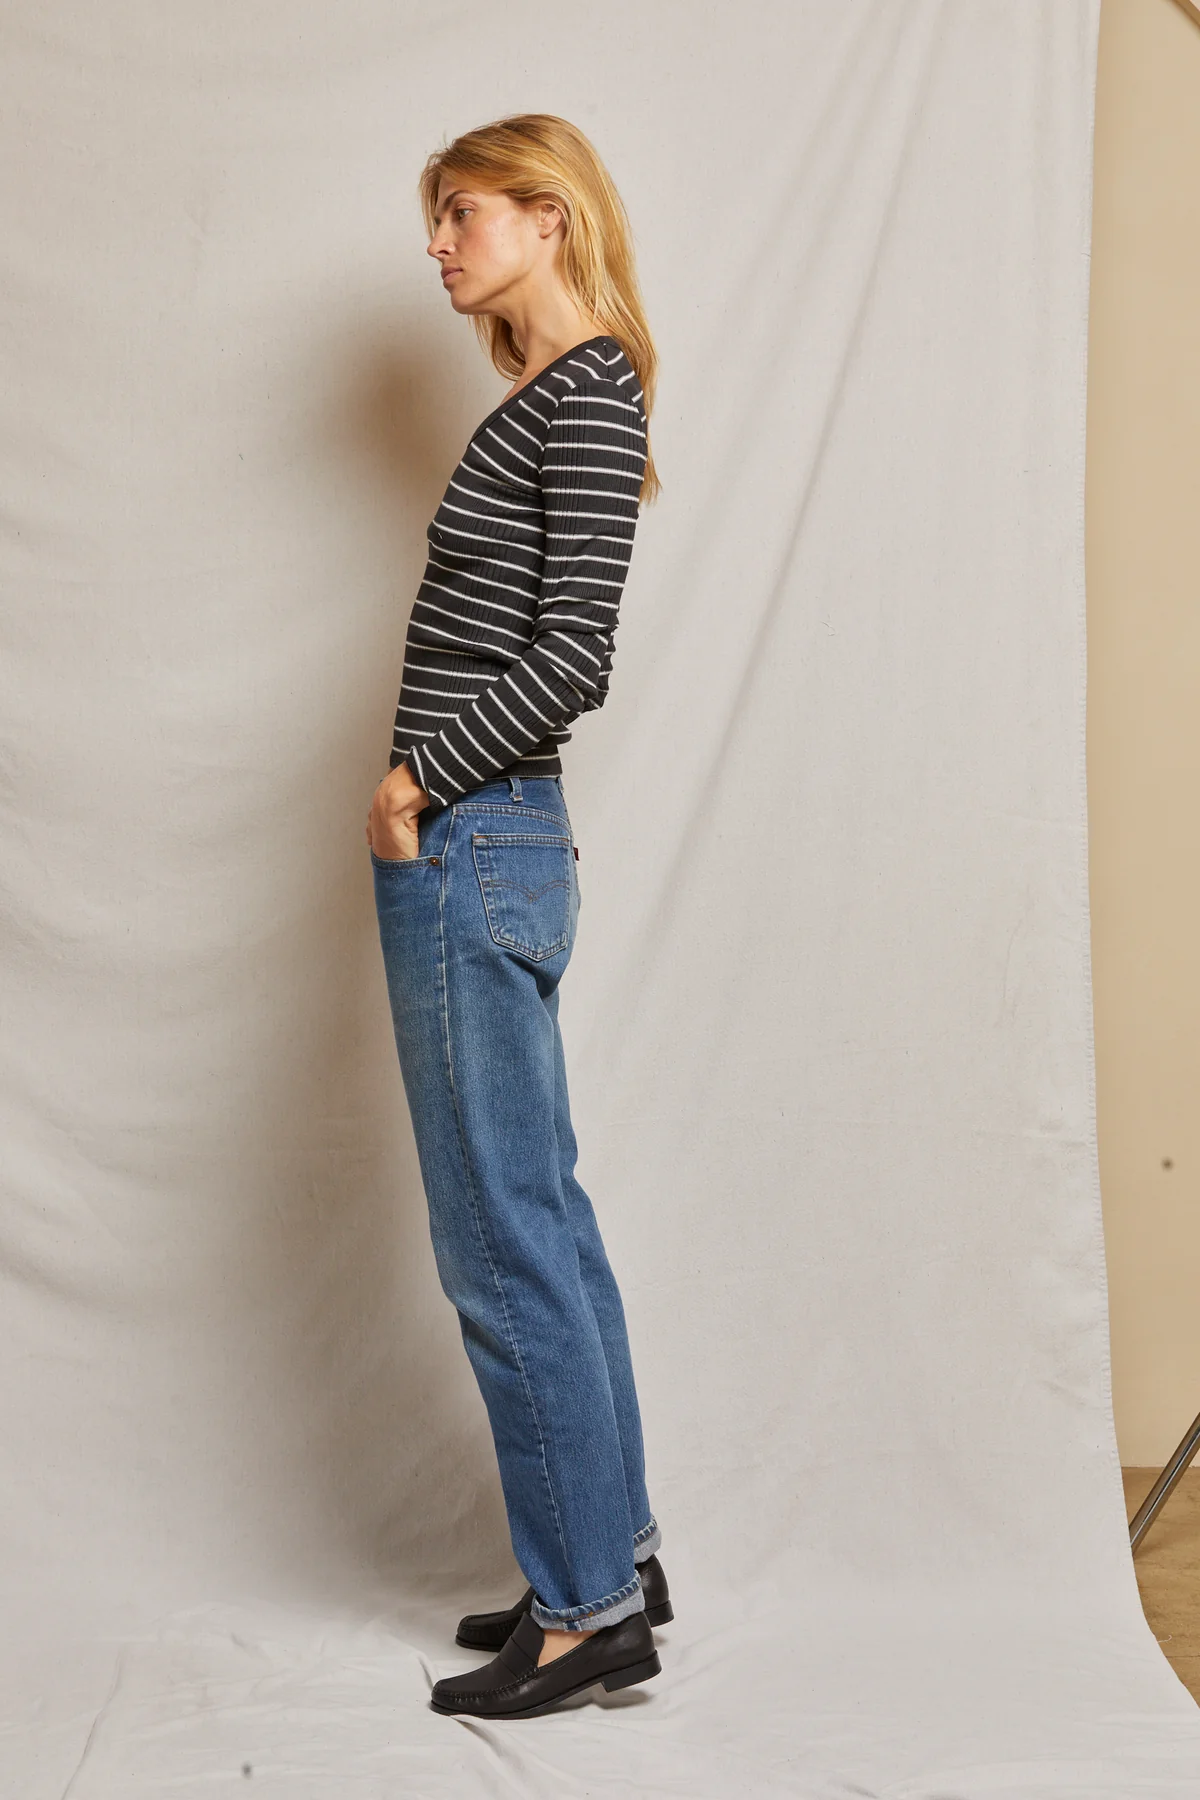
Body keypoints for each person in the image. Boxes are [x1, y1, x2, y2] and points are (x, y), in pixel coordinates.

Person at [365, 113, 671, 1720]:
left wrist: (418, 781)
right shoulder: (557, 392)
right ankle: (612, 1558)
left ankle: (583, 1618)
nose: (439, 244)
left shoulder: (588, 388)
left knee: (500, 1237)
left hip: (476, 835)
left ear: (549, 216)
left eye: (463, 212)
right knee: (540, 1213)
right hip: (494, 843)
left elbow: (576, 656)